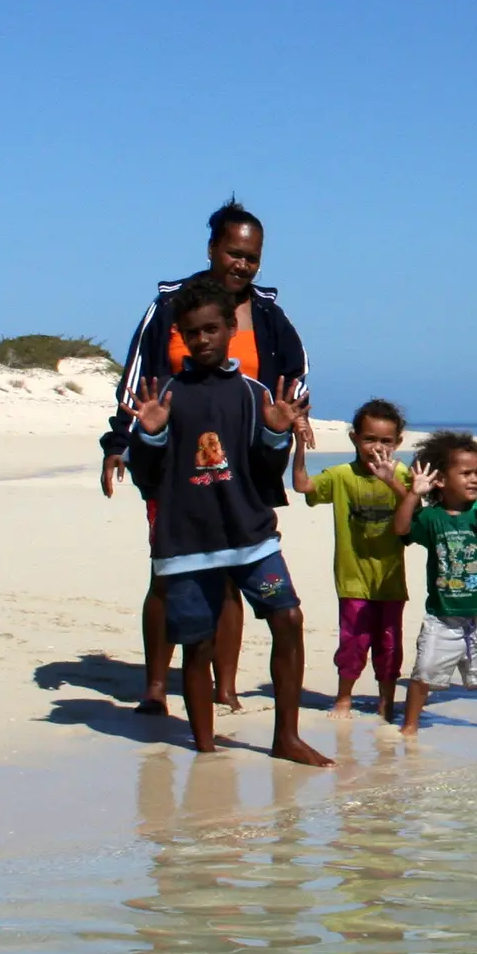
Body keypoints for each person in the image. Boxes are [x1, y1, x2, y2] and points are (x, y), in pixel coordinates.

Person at [100, 197, 313, 716]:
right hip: (174, 461)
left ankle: (226, 685)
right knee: (169, 570)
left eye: (252, 256)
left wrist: (282, 425)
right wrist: (119, 443)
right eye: (234, 252)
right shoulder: (173, 305)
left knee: (234, 570)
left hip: (244, 464)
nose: (242, 264)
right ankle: (154, 686)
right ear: (213, 248)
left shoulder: (268, 313)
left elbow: (296, 376)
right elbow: (138, 381)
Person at [119, 277, 331, 767]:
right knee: (196, 645)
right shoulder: (165, 395)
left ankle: (287, 736)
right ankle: (206, 747)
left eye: (212, 329)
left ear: (230, 328)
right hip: (187, 544)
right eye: (193, 333)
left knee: (289, 619)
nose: (204, 340)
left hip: (250, 536)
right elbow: (148, 478)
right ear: (181, 335)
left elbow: (263, 471)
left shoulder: (253, 393)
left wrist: (277, 435)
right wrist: (146, 438)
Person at [386, 431, 477, 736]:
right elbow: (401, 527)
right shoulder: (432, 517)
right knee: (424, 672)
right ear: (441, 480)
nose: (474, 480)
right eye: (466, 473)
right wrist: (414, 495)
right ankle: (410, 726)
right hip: (441, 615)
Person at [292, 398, 411, 721]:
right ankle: (343, 698)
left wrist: (392, 483)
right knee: (353, 643)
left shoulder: (404, 475)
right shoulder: (342, 475)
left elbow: (418, 513)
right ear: (354, 438)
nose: (377, 447)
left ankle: (386, 701)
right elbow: (303, 485)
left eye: (386, 441)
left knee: (389, 645)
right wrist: (299, 443)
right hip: (352, 578)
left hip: (390, 580)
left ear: (398, 442)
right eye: (369, 439)